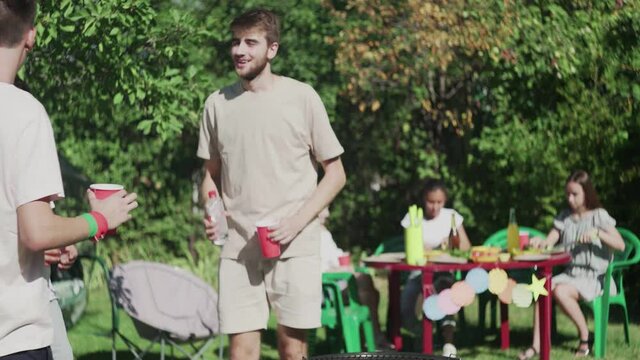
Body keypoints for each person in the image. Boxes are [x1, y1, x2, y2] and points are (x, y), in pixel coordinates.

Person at [197, 8, 346, 360]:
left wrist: (296, 222)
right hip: (239, 246)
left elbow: (336, 173)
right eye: (235, 42)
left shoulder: (302, 97)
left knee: (292, 350)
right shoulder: (216, 105)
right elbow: (210, 175)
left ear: (272, 49)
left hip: (295, 243)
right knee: (241, 352)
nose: (240, 50)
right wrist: (211, 208)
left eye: (251, 42)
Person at [0, 1, 138, 358]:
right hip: (13, 338)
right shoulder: (24, 112)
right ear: (30, 37)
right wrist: (101, 219)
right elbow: (37, 232)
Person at [517, 170, 624, 359]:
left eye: (575, 194)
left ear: (587, 193)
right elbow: (551, 240)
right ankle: (537, 345)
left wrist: (598, 234)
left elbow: (620, 245)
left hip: (595, 278)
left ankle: (585, 337)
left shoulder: (598, 216)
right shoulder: (565, 217)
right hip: (571, 274)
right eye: (568, 194)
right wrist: (540, 243)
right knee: (540, 287)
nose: (570, 199)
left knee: (560, 291)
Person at [399, 179, 471, 357]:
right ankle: (421, 334)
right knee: (408, 300)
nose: (435, 207)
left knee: (446, 293)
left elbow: (467, 248)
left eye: (439, 202)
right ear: (424, 199)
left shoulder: (451, 217)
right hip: (418, 273)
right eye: (431, 202)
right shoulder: (413, 218)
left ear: (445, 201)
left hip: (443, 272)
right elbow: (409, 247)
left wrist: (452, 244)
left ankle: (448, 342)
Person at [318, 208, 392, 350]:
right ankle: (373, 338)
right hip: (325, 290)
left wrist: (349, 265)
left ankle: (369, 337)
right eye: (324, 208)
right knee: (365, 286)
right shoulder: (309, 235)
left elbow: (336, 258)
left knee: (370, 288)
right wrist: (342, 270)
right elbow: (318, 269)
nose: (327, 213)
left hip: (335, 282)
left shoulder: (324, 232)